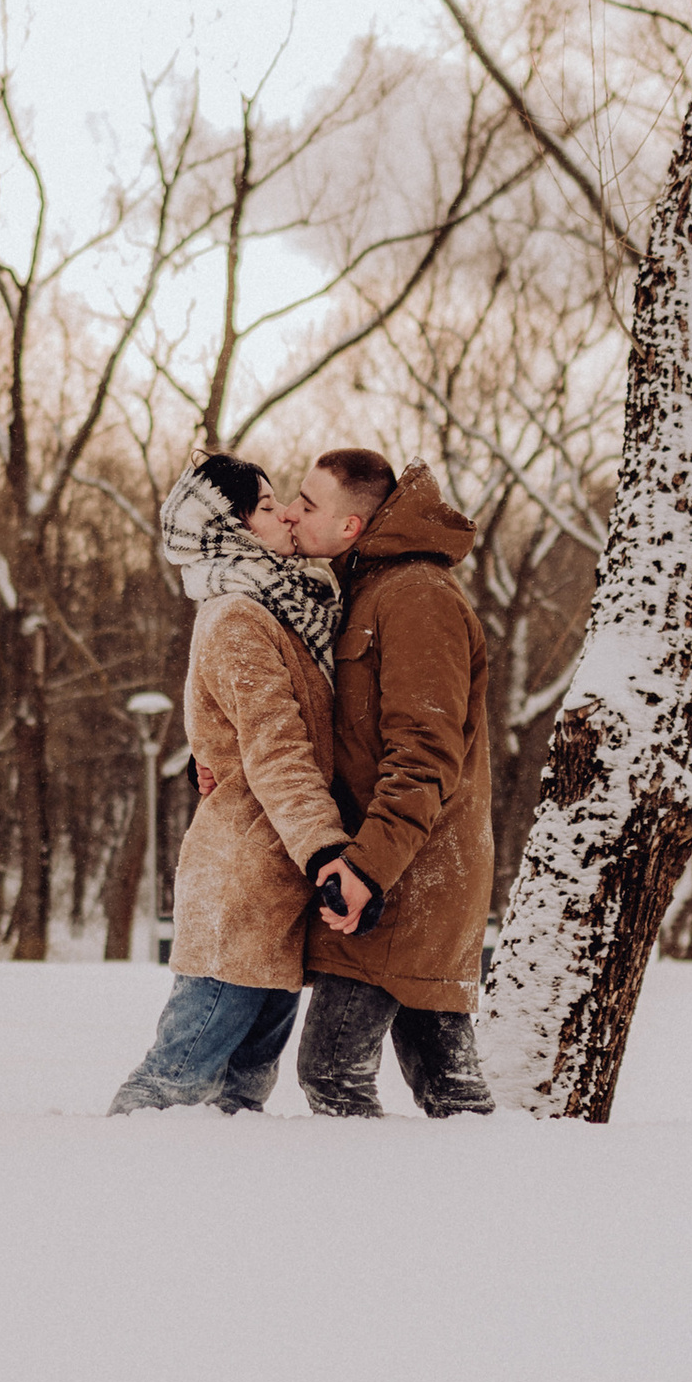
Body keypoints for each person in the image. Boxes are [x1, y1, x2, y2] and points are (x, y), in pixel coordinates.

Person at [108, 455, 356, 1114]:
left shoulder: (284, 604)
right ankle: (106, 1180)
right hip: (243, 886)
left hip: (276, 883)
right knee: (173, 1082)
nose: (283, 513)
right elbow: (278, 754)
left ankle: (221, 1213)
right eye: (266, 504)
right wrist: (327, 850)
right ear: (231, 527)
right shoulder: (240, 616)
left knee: (241, 1098)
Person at [282, 448, 498, 1118]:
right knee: (448, 1087)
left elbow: (425, 755)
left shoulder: (415, 598)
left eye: (308, 503)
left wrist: (367, 869)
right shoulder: (372, 591)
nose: (292, 512)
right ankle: (485, 1207)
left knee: (330, 1068)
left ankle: (367, 1216)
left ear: (352, 526)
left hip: (407, 879)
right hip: (406, 876)